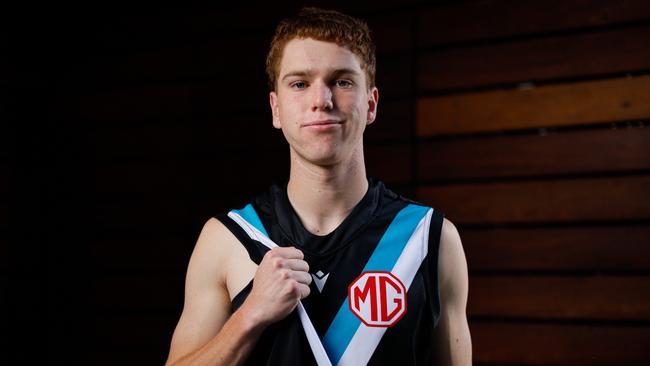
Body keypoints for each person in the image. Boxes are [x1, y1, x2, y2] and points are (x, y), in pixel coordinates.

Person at [165, 7, 471, 366]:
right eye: (299, 83)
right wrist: (250, 316)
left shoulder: (429, 239)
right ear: (276, 109)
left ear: (370, 104)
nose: (321, 100)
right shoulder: (227, 238)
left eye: (341, 81)